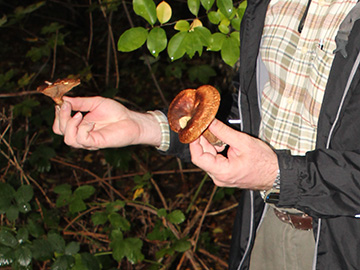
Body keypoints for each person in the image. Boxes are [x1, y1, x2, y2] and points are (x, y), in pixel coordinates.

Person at [53, 0, 360, 268]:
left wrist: (280, 174)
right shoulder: (267, 5)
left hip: (346, 243)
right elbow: (249, 119)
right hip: (264, 226)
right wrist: (143, 126)